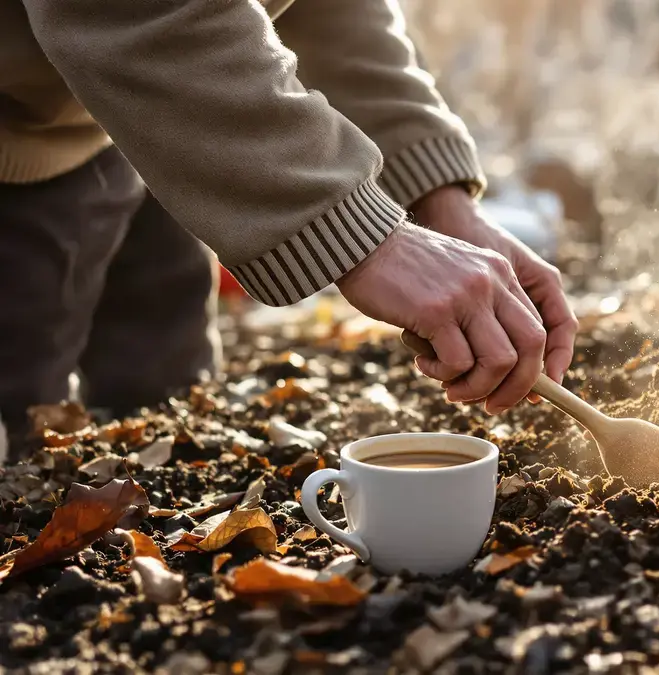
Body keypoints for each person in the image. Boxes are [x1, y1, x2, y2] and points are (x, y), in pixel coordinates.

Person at [0, 0, 578, 444]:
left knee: (165, 395)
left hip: (163, 117)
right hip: (22, 143)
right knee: (23, 441)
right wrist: (366, 239)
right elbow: (144, 14)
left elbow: (330, 12)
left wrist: (435, 194)